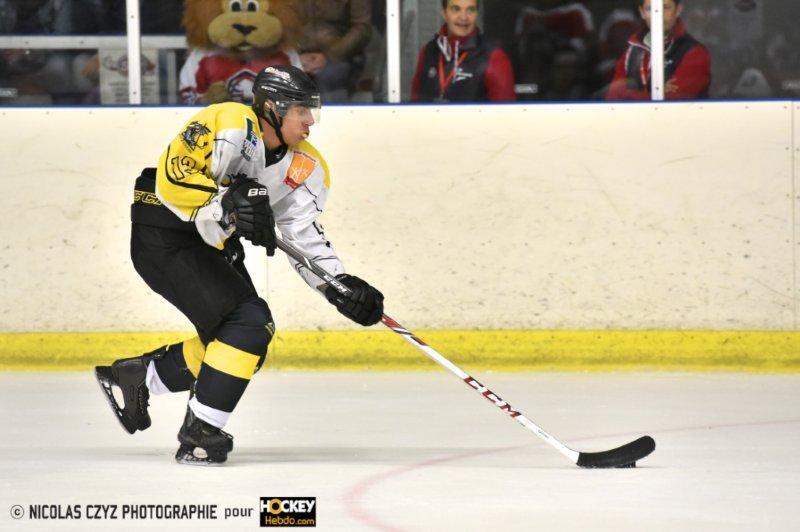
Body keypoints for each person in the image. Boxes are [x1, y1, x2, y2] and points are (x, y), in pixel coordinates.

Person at [95, 65, 384, 465]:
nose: (310, 120)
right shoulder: (227, 123)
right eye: (301, 110)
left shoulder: (306, 167)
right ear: (272, 107)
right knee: (248, 325)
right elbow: (173, 180)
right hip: (165, 231)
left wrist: (338, 284)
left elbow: (303, 234)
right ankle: (199, 433)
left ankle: (138, 378)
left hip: (212, 241)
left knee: (246, 342)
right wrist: (229, 203)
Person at [410, 0, 515, 102]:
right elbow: (414, 105)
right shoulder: (428, 51)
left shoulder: (494, 56)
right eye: (456, 9)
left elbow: (505, 115)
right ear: (444, 13)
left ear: (477, 14)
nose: (464, 17)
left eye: (470, 10)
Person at [606, 0, 710, 100]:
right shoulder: (632, 51)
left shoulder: (694, 52)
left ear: (678, 10)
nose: (658, 15)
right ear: (642, 13)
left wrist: (626, 94)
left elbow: (673, 102)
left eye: (665, 7)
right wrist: (656, 93)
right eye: (650, 8)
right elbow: (612, 97)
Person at [297, 0, 373, 102]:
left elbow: (363, 28)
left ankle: (330, 117)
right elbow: (280, 22)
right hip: (299, 54)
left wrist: (329, 56)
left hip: (343, 55)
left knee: (329, 76)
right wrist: (294, 55)